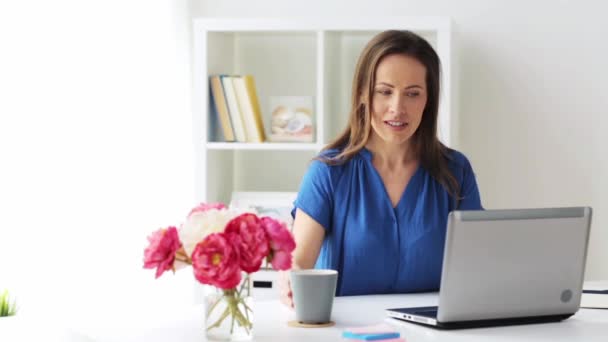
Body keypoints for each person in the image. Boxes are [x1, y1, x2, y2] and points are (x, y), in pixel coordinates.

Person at [280, 30, 483, 308]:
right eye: (384, 92)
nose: (397, 108)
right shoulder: (328, 172)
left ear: (429, 100)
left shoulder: (456, 171)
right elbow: (299, 260)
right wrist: (290, 278)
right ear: (363, 94)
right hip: (347, 332)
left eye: (412, 94)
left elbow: (477, 267)